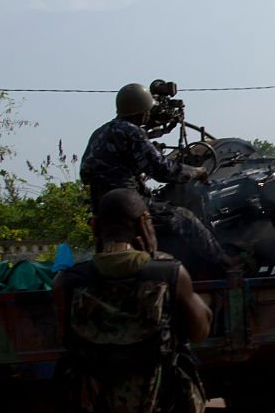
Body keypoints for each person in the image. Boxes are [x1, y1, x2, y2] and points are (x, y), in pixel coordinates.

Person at [53, 188, 215, 413]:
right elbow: (201, 331)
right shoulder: (170, 273)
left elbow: (66, 341)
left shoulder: (69, 282)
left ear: (95, 227)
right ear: (144, 223)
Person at [81, 82, 236, 278]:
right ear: (144, 113)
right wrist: (197, 171)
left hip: (102, 207)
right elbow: (164, 171)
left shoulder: (101, 132)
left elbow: (86, 172)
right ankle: (227, 263)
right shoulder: (132, 132)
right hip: (129, 203)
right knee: (184, 218)